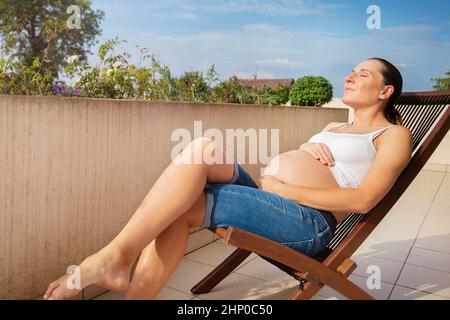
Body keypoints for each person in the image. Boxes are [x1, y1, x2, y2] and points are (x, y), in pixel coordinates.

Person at [43, 57, 413, 300]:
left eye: (363, 74)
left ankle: (114, 259)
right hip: (278, 203)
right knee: (203, 147)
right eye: (352, 70)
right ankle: (117, 258)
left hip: (307, 223)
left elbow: (364, 199)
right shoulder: (335, 125)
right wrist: (309, 150)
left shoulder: (393, 135)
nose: (350, 75)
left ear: (385, 91)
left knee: (186, 204)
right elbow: (314, 164)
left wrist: (281, 186)